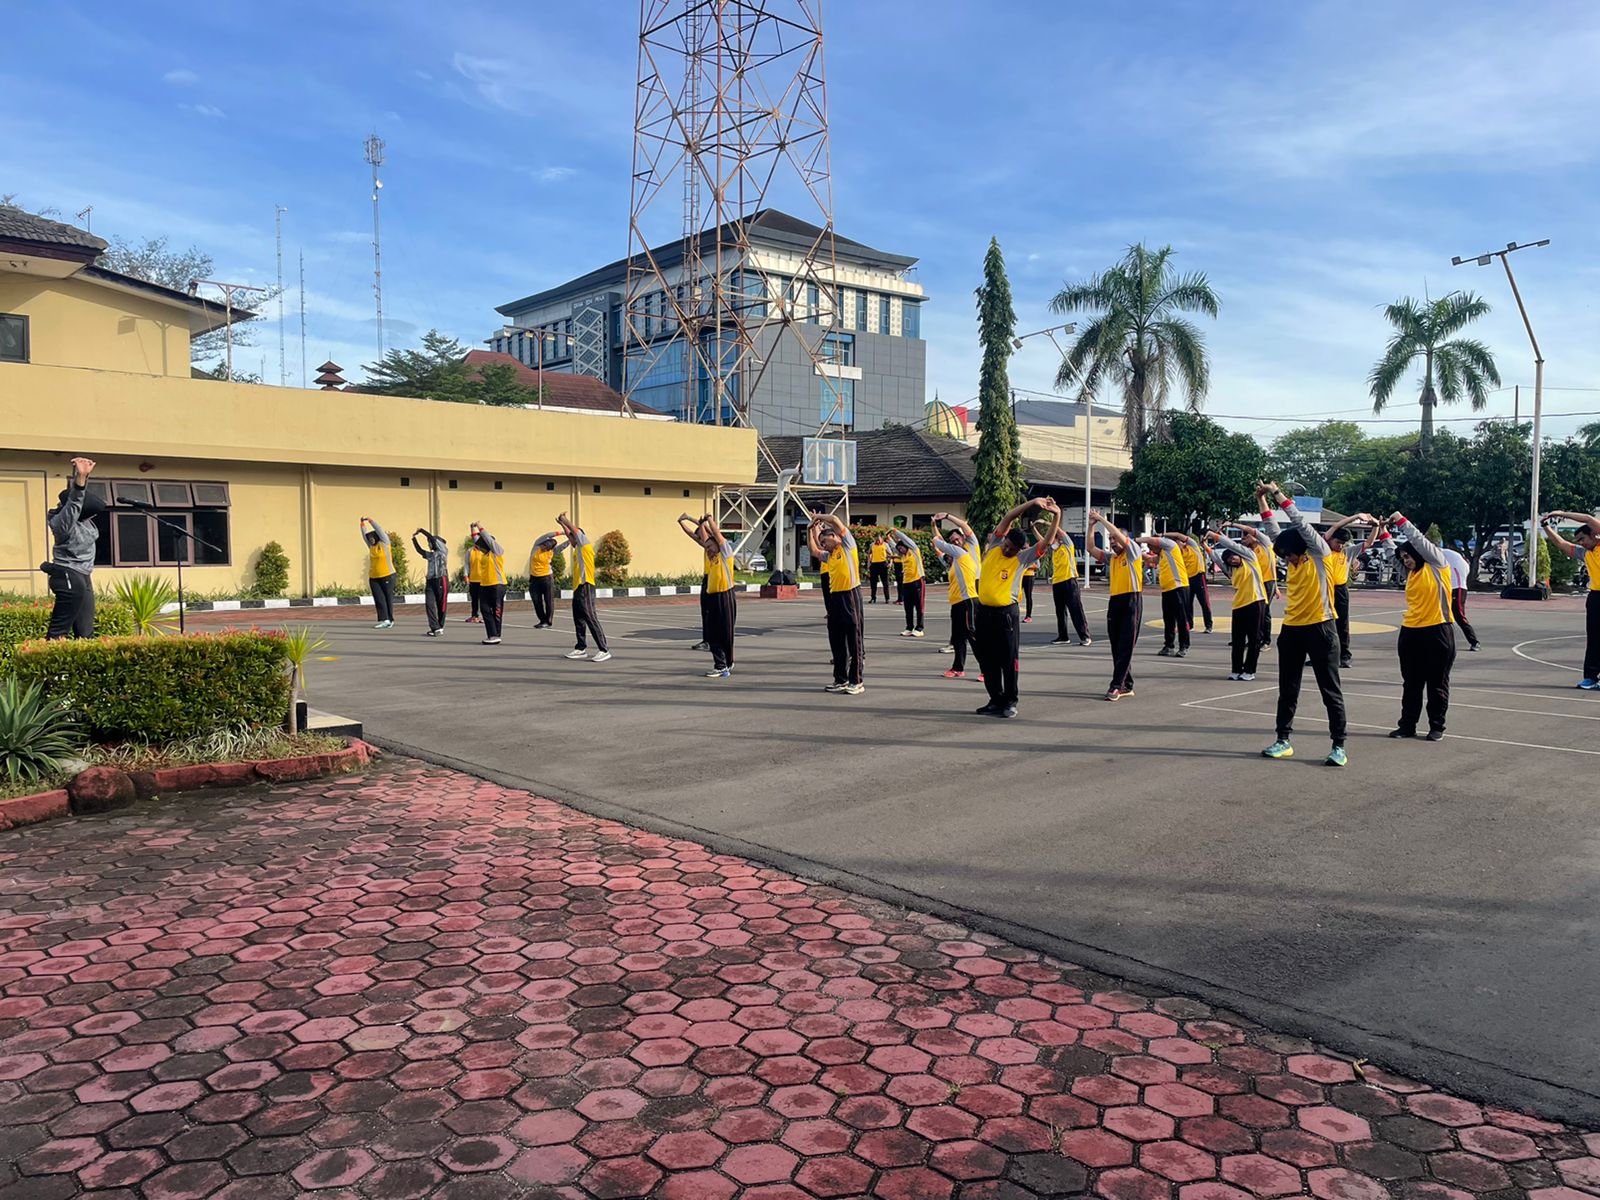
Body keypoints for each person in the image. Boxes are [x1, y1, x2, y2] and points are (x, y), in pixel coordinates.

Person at [1254, 482, 1352, 766]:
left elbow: (1298, 522)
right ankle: (1283, 740)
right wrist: (1261, 500)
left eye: (1290, 555)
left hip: (1321, 627)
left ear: (1301, 548)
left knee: (1329, 690)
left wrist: (1277, 493)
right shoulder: (1291, 552)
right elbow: (1274, 529)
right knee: (1287, 689)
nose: (1288, 560)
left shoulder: (1319, 553)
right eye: (1284, 556)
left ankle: (1338, 746)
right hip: (1292, 629)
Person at [1371, 513, 1457, 739]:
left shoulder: (1437, 565)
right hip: (1410, 632)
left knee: (1437, 683)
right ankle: (1407, 725)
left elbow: (1417, 539)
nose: (1406, 560)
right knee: (1411, 683)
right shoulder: (1409, 573)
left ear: (1418, 553)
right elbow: (1391, 554)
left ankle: (1436, 727)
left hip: (1437, 630)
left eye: (1408, 556)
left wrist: (1400, 520)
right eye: (1404, 557)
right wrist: (1383, 531)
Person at [972, 498, 1059, 717]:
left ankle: (1010, 701)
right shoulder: (995, 545)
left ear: (1020, 549)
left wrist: (1057, 516)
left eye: (1011, 549)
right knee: (987, 659)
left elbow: (1046, 543)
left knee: (1008, 660)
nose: (1007, 549)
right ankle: (995, 699)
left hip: (1006, 615)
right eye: (1006, 545)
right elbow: (1009, 516)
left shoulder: (1022, 559)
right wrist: (1032, 503)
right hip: (983, 612)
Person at [43, 456, 103, 640]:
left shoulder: (85, 521)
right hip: (68, 574)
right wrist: (81, 477)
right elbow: (75, 501)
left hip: (83, 575)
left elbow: (79, 499)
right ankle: (45, 656)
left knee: (85, 634)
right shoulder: (63, 523)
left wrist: (83, 475)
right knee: (58, 633)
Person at [1090, 510, 1144, 701]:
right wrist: (1091, 526)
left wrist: (1101, 519)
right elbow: (1090, 548)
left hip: (1132, 601)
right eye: (1110, 540)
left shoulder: (1133, 553)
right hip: (1115, 602)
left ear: (1125, 539)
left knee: (1126, 646)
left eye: (1115, 539)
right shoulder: (1112, 558)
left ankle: (1116, 685)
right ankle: (1127, 685)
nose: (1113, 542)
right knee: (1116, 645)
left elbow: (1119, 536)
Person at [1542, 511, 1600, 688]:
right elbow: (1562, 544)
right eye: (1578, 541)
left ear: (1594, 534)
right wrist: (1545, 526)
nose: (1581, 543)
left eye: (1583, 539)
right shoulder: (1585, 553)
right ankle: (1591, 678)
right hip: (1596, 597)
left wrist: (1562, 514)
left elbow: (1588, 519)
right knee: (1594, 639)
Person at [808, 512, 864, 694]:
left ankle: (856, 681)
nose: (822, 545)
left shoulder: (847, 545)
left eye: (824, 541)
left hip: (850, 595)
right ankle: (840, 679)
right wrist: (810, 530)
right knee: (836, 639)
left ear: (833, 536)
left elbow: (834, 520)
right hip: (835, 598)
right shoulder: (829, 555)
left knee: (853, 638)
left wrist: (819, 517)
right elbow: (814, 551)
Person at [1207, 529, 1266, 681]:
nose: (1231, 560)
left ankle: (1249, 670)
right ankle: (1236, 669)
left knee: (1254, 639)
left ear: (1238, 554)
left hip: (1255, 602)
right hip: (1239, 605)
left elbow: (1232, 545)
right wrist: (1206, 547)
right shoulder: (1232, 570)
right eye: (1229, 560)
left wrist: (1216, 536)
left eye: (1233, 557)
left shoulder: (1250, 559)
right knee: (1238, 640)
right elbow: (1218, 560)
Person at [555, 512, 611, 662]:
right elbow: (571, 535)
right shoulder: (577, 549)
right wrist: (562, 525)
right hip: (578, 587)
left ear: (579, 537)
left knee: (590, 617)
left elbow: (575, 532)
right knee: (578, 618)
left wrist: (565, 520)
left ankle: (604, 649)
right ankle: (581, 648)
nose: (571, 538)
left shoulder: (585, 545)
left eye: (573, 536)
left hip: (586, 585)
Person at [688, 513, 737, 678]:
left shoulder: (725, 554)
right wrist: (701, 524)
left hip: (725, 597)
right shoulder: (712, 557)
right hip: (713, 598)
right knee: (713, 633)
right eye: (706, 547)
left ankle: (727, 663)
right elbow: (703, 538)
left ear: (718, 545)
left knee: (725, 632)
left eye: (710, 547)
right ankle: (721, 664)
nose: (708, 549)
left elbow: (716, 534)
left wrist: (708, 519)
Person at [932, 513, 981, 678]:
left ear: (963, 538)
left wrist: (947, 516)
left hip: (970, 598)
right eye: (952, 541)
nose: (955, 542)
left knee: (974, 636)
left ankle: (987, 670)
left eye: (957, 539)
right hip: (957, 602)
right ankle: (958, 668)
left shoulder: (969, 548)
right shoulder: (954, 562)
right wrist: (934, 526)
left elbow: (940, 542)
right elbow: (941, 546)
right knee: (958, 637)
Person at [1147, 531, 1192, 657]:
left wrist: (1135, 540)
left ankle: (1184, 646)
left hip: (1179, 587)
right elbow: (1150, 559)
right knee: (1168, 620)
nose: (1151, 550)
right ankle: (1169, 645)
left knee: (1181, 618)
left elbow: (1156, 541)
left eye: (1151, 546)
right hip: (1167, 590)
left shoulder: (1170, 547)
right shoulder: (1162, 554)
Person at [1047, 528, 1091, 647]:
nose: (1050, 542)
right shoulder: (1054, 551)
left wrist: (1049, 524)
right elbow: (1043, 541)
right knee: (1060, 611)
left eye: (1052, 539)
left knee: (1075, 610)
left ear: (1058, 538)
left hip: (1069, 581)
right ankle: (1063, 636)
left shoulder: (1067, 545)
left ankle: (1085, 636)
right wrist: (1034, 529)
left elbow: (1061, 532)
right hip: (1057, 582)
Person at [1439, 543, 1480, 651]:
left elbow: (1465, 570)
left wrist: (1459, 580)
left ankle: (1474, 641)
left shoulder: (1442, 553)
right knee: (1440, 616)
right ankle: (1442, 641)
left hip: (1457, 588)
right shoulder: (1447, 555)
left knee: (1458, 615)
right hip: (1448, 587)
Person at [473, 524, 508, 645]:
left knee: (496, 611)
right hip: (485, 585)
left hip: (497, 585)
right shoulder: (485, 555)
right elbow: (477, 541)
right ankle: (492, 634)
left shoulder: (496, 552)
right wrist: (472, 529)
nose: (480, 549)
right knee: (484, 609)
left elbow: (488, 540)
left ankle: (496, 635)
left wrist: (480, 527)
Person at [412, 528, 449, 636]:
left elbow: (432, 538)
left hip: (441, 579)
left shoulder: (443, 551)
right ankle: (435, 627)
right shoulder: (431, 555)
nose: (429, 544)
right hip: (430, 581)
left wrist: (422, 531)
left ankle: (440, 626)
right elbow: (420, 551)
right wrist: (414, 539)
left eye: (430, 543)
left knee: (441, 605)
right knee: (429, 604)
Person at [360, 518, 396, 629]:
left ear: (376, 537)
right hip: (374, 577)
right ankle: (385, 620)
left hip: (388, 575)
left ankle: (390, 619)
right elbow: (364, 536)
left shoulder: (385, 543)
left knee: (387, 598)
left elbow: (379, 530)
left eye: (372, 538)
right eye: (369, 539)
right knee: (379, 599)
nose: (370, 540)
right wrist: (362, 524)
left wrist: (371, 521)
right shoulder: (371, 547)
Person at [890, 528, 926, 638]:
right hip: (907, 583)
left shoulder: (914, 551)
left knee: (919, 606)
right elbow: (894, 547)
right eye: (899, 549)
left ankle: (919, 628)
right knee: (908, 607)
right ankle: (909, 627)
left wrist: (896, 532)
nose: (900, 550)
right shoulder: (903, 556)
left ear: (906, 546)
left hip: (917, 581)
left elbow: (905, 539)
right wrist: (888, 539)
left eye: (901, 548)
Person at [1181, 535, 1214, 634]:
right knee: (1187, 603)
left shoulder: (1194, 548)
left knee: (1204, 602)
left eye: (1181, 541)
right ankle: (1189, 624)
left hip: (1198, 576)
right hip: (1187, 579)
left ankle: (1208, 625)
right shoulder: (1180, 552)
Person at [527, 534, 558, 629]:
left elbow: (564, 546)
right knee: (536, 600)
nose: (544, 548)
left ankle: (548, 621)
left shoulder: (551, 552)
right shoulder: (536, 548)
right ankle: (542, 620)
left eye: (546, 548)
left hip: (547, 578)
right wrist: (559, 532)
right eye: (544, 545)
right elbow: (544, 536)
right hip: (534, 578)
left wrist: (570, 539)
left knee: (549, 600)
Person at [465, 523, 486, 624]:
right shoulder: (470, 551)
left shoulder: (485, 551)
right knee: (474, 599)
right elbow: (466, 564)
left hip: (483, 579)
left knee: (484, 599)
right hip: (473, 579)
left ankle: (484, 616)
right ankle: (474, 616)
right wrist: (466, 575)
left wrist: (475, 527)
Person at [867, 535, 891, 604]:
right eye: (876, 540)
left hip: (883, 564)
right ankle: (873, 598)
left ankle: (887, 598)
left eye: (879, 540)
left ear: (881, 540)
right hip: (874, 564)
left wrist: (890, 563)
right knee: (873, 583)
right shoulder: (872, 545)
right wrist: (868, 563)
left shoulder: (885, 545)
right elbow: (869, 554)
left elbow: (890, 554)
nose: (878, 542)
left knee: (885, 582)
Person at [1020, 555, 1037, 623]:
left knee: (1028, 596)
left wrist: (1027, 566)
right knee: (1016, 594)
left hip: (1029, 576)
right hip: (1020, 576)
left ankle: (1028, 616)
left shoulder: (1032, 553)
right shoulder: (1021, 553)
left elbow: (1037, 566)